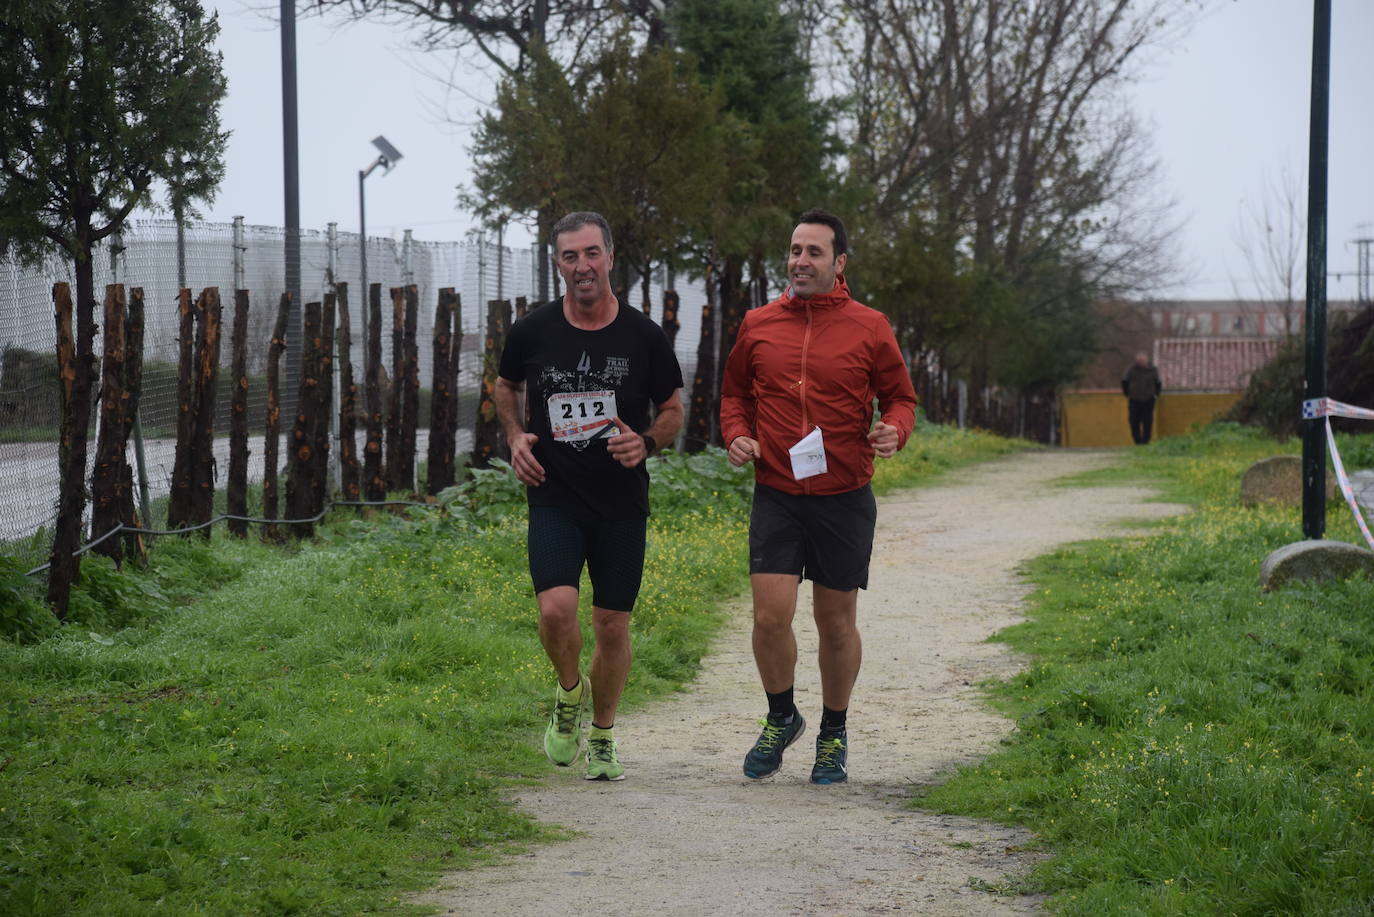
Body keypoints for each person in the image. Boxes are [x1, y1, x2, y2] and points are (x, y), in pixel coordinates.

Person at [720, 209, 917, 784]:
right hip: (777, 490)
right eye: (794, 251)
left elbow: (901, 399)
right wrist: (736, 434)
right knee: (768, 616)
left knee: (835, 623)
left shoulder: (870, 326)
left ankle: (833, 733)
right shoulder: (758, 324)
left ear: (839, 263)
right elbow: (733, 394)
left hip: (843, 495)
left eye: (813, 252)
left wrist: (893, 431)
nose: (800, 262)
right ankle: (783, 715)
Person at [495, 211, 684, 781]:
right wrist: (514, 436)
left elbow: (673, 409)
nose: (582, 266)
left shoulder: (644, 336)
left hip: (621, 502)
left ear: (609, 255)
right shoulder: (532, 330)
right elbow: (507, 387)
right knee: (556, 610)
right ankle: (568, 692)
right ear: (558, 264)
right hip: (554, 494)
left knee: (611, 625)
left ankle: (602, 733)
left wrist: (646, 442)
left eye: (591, 254)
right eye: (570, 256)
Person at [1121, 351, 1162, 445]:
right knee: (1133, 421)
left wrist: (1156, 395)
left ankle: (1145, 441)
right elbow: (1124, 381)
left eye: (1143, 361)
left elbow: (1158, 383)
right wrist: (1127, 393)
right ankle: (1137, 440)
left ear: (1147, 360)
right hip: (1134, 399)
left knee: (1148, 421)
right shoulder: (1131, 369)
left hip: (1149, 399)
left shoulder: (1153, 370)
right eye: (1139, 361)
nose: (1141, 363)